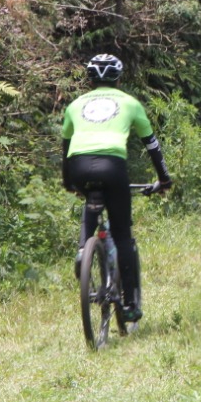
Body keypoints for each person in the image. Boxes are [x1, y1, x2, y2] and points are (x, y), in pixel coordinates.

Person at [61, 53, 171, 323]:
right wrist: (163, 179)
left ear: (89, 80)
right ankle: (130, 303)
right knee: (122, 235)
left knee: (91, 203)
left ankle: (82, 250)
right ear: (119, 79)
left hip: (78, 166)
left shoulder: (75, 105)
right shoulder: (130, 103)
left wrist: (68, 182)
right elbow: (152, 146)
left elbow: (65, 149)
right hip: (112, 166)